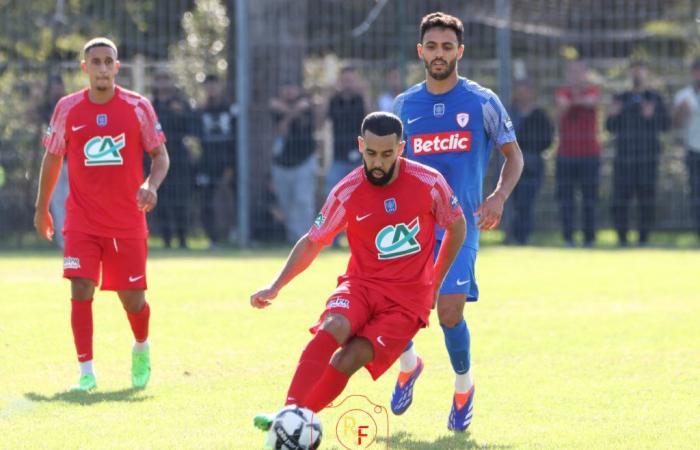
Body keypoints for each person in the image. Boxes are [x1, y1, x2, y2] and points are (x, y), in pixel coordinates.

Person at [251, 112, 466, 439]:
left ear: (401, 149)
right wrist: (276, 284)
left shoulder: (429, 182)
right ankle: (290, 413)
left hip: (408, 299)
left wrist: (435, 281)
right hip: (361, 285)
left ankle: (300, 417)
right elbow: (313, 241)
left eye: (387, 154)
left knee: (352, 356)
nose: (377, 163)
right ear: (360, 146)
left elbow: (457, 225)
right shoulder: (348, 190)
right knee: (332, 327)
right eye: (371, 153)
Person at [392, 12, 523, 431]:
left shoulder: (482, 101)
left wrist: (498, 197)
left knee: (448, 312)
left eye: (447, 47)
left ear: (460, 52)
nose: (439, 54)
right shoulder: (403, 105)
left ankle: (464, 387)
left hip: (459, 226)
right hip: (410, 227)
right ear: (421, 51)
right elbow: (389, 166)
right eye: (431, 46)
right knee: (396, 307)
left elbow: (513, 156)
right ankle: (409, 365)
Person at [33, 37, 169, 392]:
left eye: (109, 61)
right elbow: (52, 157)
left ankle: (141, 346)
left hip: (127, 219)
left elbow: (160, 156)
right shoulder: (68, 108)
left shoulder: (138, 107)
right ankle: (86, 372)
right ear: (85, 68)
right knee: (80, 287)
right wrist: (41, 207)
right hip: (82, 219)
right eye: (96, 62)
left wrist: (151, 186)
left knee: (133, 299)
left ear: (117, 67)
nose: (103, 68)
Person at [606, 61, 670, 246]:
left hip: (648, 158)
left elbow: (666, 125)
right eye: (634, 71)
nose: (637, 75)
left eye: (641, 71)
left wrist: (652, 116)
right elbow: (609, 128)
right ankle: (622, 238)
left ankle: (644, 238)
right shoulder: (621, 97)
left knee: (647, 199)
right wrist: (612, 115)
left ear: (647, 74)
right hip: (623, 158)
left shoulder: (655, 97)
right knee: (620, 199)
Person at [555, 59, 602, 247]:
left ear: (585, 74)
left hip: (590, 153)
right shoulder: (561, 91)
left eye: (579, 71)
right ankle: (568, 238)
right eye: (572, 71)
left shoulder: (593, 90)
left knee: (589, 198)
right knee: (566, 199)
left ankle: (589, 238)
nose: (576, 75)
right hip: (566, 153)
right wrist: (577, 102)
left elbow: (592, 102)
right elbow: (561, 107)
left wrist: (573, 102)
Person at [150, 70, 196, 249]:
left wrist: (181, 114)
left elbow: (192, 128)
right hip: (155, 159)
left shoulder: (181, 104)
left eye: (166, 80)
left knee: (181, 201)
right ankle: (166, 239)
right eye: (159, 80)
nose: (163, 84)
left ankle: (183, 239)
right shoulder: (151, 105)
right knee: (160, 202)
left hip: (178, 159)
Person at [269, 83, 318, 244]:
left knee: (303, 202)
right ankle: (292, 240)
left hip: (304, 161)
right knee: (286, 203)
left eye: (292, 88)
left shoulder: (308, 106)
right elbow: (281, 129)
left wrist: (287, 111)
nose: (289, 91)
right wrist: (294, 112)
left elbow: (311, 123)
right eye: (286, 88)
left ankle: (305, 240)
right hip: (282, 164)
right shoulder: (276, 109)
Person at [509, 79, 554, 245]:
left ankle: (522, 236)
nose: (522, 94)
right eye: (519, 90)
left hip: (532, 165)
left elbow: (547, 140)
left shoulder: (540, 115)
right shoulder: (509, 113)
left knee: (525, 203)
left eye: (525, 90)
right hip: (509, 164)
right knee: (512, 202)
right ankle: (511, 234)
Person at [195, 74, 237, 248]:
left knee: (232, 196)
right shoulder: (200, 110)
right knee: (206, 199)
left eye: (214, 85)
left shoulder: (231, 108)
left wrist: (231, 165)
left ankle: (236, 232)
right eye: (208, 86)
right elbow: (195, 134)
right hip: (207, 161)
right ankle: (213, 238)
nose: (211, 89)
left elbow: (237, 137)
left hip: (228, 160)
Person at [34, 75, 69, 249]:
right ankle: (62, 240)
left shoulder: (69, 104)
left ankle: (72, 236)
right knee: (56, 202)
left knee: (70, 200)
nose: (57, 90)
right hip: (54, 161)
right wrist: (37, 95)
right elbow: (31, 116)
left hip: (71, 163)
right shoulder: (47, 107)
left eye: (59, 86)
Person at [672, 57, 700, 240]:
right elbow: (675, 124)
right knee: (696, 195)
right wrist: (682, 111)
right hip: (694, 150)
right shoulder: (684, 96)